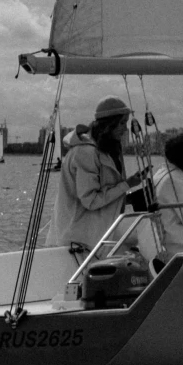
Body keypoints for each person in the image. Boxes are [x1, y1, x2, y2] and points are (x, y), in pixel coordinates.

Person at [56, 96, 135, 254]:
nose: (125, 129)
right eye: (121, 123)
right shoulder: (85, 153)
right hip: (82, 242)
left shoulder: (104, 151)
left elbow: (106, 192)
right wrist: (127, 184)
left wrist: (129, 193)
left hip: (96, 238)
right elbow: (90, 200)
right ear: (108, 125)